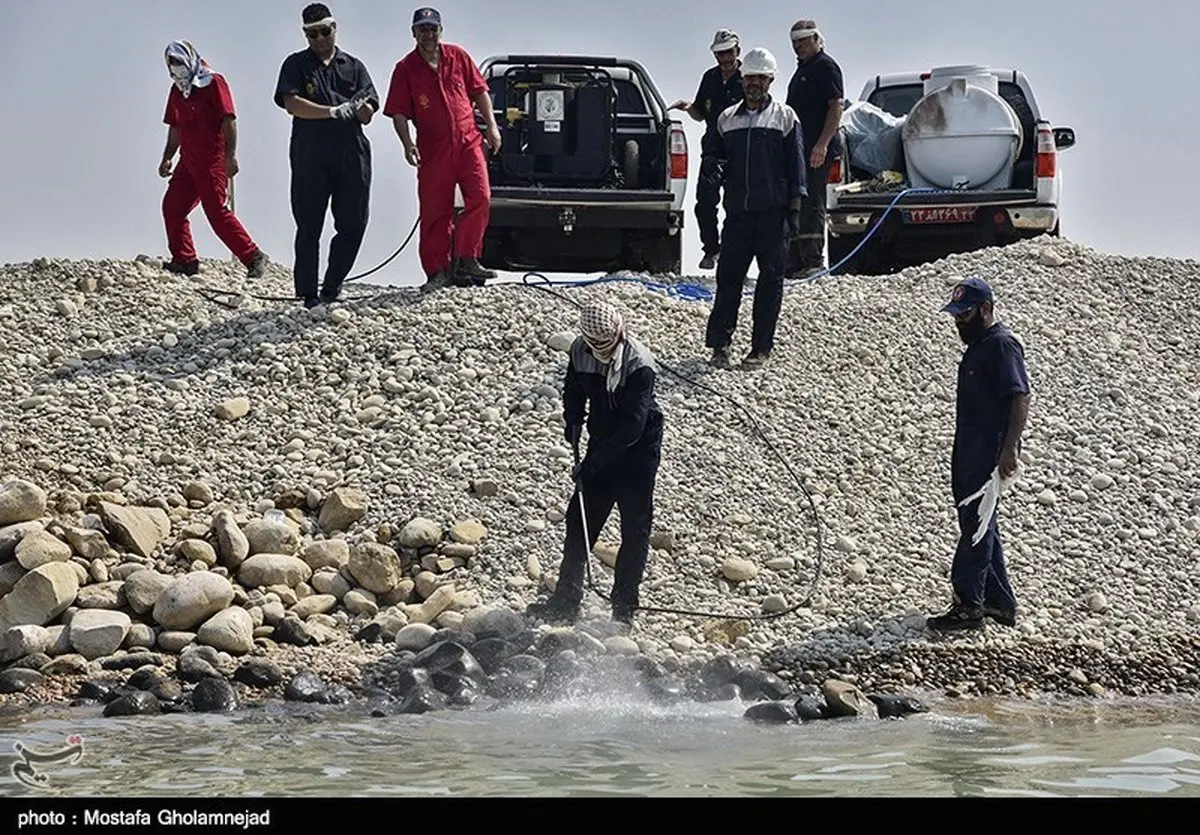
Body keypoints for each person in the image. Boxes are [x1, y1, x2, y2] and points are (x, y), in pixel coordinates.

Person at [525, 301, 665, 628]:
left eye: (607, 344)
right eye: (596, 345)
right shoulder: (580, 350)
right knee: (580, 520)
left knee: (635, 527)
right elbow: (574, 388)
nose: (602, 349)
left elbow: (633, 425)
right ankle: (566, 599)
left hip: (638, 448)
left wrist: (593, 465)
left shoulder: (639, 364)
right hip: (601, 437)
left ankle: (624, 608)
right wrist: (572, 420)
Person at [927, 277, 1031, 632]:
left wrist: (1010, 449)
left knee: (975, 527)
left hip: (989, 451)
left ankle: (968, 605)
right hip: (968, 447)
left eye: (966, 314)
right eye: (956, 314)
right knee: (982, 523)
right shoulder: (978, 345)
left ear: (987, 309)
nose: (959, 321)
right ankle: (1000, 603)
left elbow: (1019, 396)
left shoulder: (1002, 345)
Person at [383, 7, 502, 292]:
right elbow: (398, 112)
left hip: (468, 141)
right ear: (413, 33)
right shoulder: (405, 68)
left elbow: (479, 91)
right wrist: (407, 144)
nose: (429, 34)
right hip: (433, 149)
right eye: (423, 29)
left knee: (481, 197)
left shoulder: (458, 56)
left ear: (440, 30)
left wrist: (492, 126)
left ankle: (466, 258)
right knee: (436, 211)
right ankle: (437, 270)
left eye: (433, 28)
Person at [703, 48, 806, 372]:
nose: (755, 83)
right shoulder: (726, 119)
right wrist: (710, 166)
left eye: (761, 78)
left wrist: (795, 207)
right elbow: (713, 154)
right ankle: (720, 345)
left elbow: (797, 164)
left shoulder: (785, 118)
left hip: (773, 215)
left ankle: (761, 348)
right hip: (738, 214)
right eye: (750, 77)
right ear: (742, 79)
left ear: (771, 80)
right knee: (729, 278)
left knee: (770, 280)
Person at [273, 4, 380, 309]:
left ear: (335, 28)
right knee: (309, 224)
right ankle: (308, 294)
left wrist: (361, 110)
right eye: (312, 33)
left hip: (351, 152)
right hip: (311, 153)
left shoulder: (354, 66)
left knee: (354, 222)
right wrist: (332, 112)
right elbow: (292, 103)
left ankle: (332, 286)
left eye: (324, 31)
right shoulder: (295, 65)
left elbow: (369, 107)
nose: (319, 38)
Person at [159, 41, 268, 279]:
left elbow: (228, 120)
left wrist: (230, 156)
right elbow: (175, 125)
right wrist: (167, 157)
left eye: (178, 60)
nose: (175, 67)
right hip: (188, 161)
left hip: (212, 160)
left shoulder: (213, 82)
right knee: (172, 207)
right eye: (171, 62)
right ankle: (184, 259)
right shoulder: (178, 89)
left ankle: (253, 256)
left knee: (216, 212)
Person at [667, 29, 744, 271]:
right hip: (712, 151)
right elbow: (701, 114)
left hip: (740, 152)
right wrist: (688, 107)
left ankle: (735, 254)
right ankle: (711, 249)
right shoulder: (710, 78)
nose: (724, 58)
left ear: (737, 52)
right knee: (705, 204)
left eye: (728, 53)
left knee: (737, 206)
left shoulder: (748, 78)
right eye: (720, 54)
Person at [784, 19, 844, 279]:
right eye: (794, 42)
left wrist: (822, 144)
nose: (798, 46)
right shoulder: (802, 70)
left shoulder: (825, 67)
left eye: (803, 41)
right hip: (799, 149)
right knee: (796, 203)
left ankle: (813, 260)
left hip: (816, 148)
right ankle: (795, 261)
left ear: (816, 39)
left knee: (812, 203)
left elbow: (835, 106)